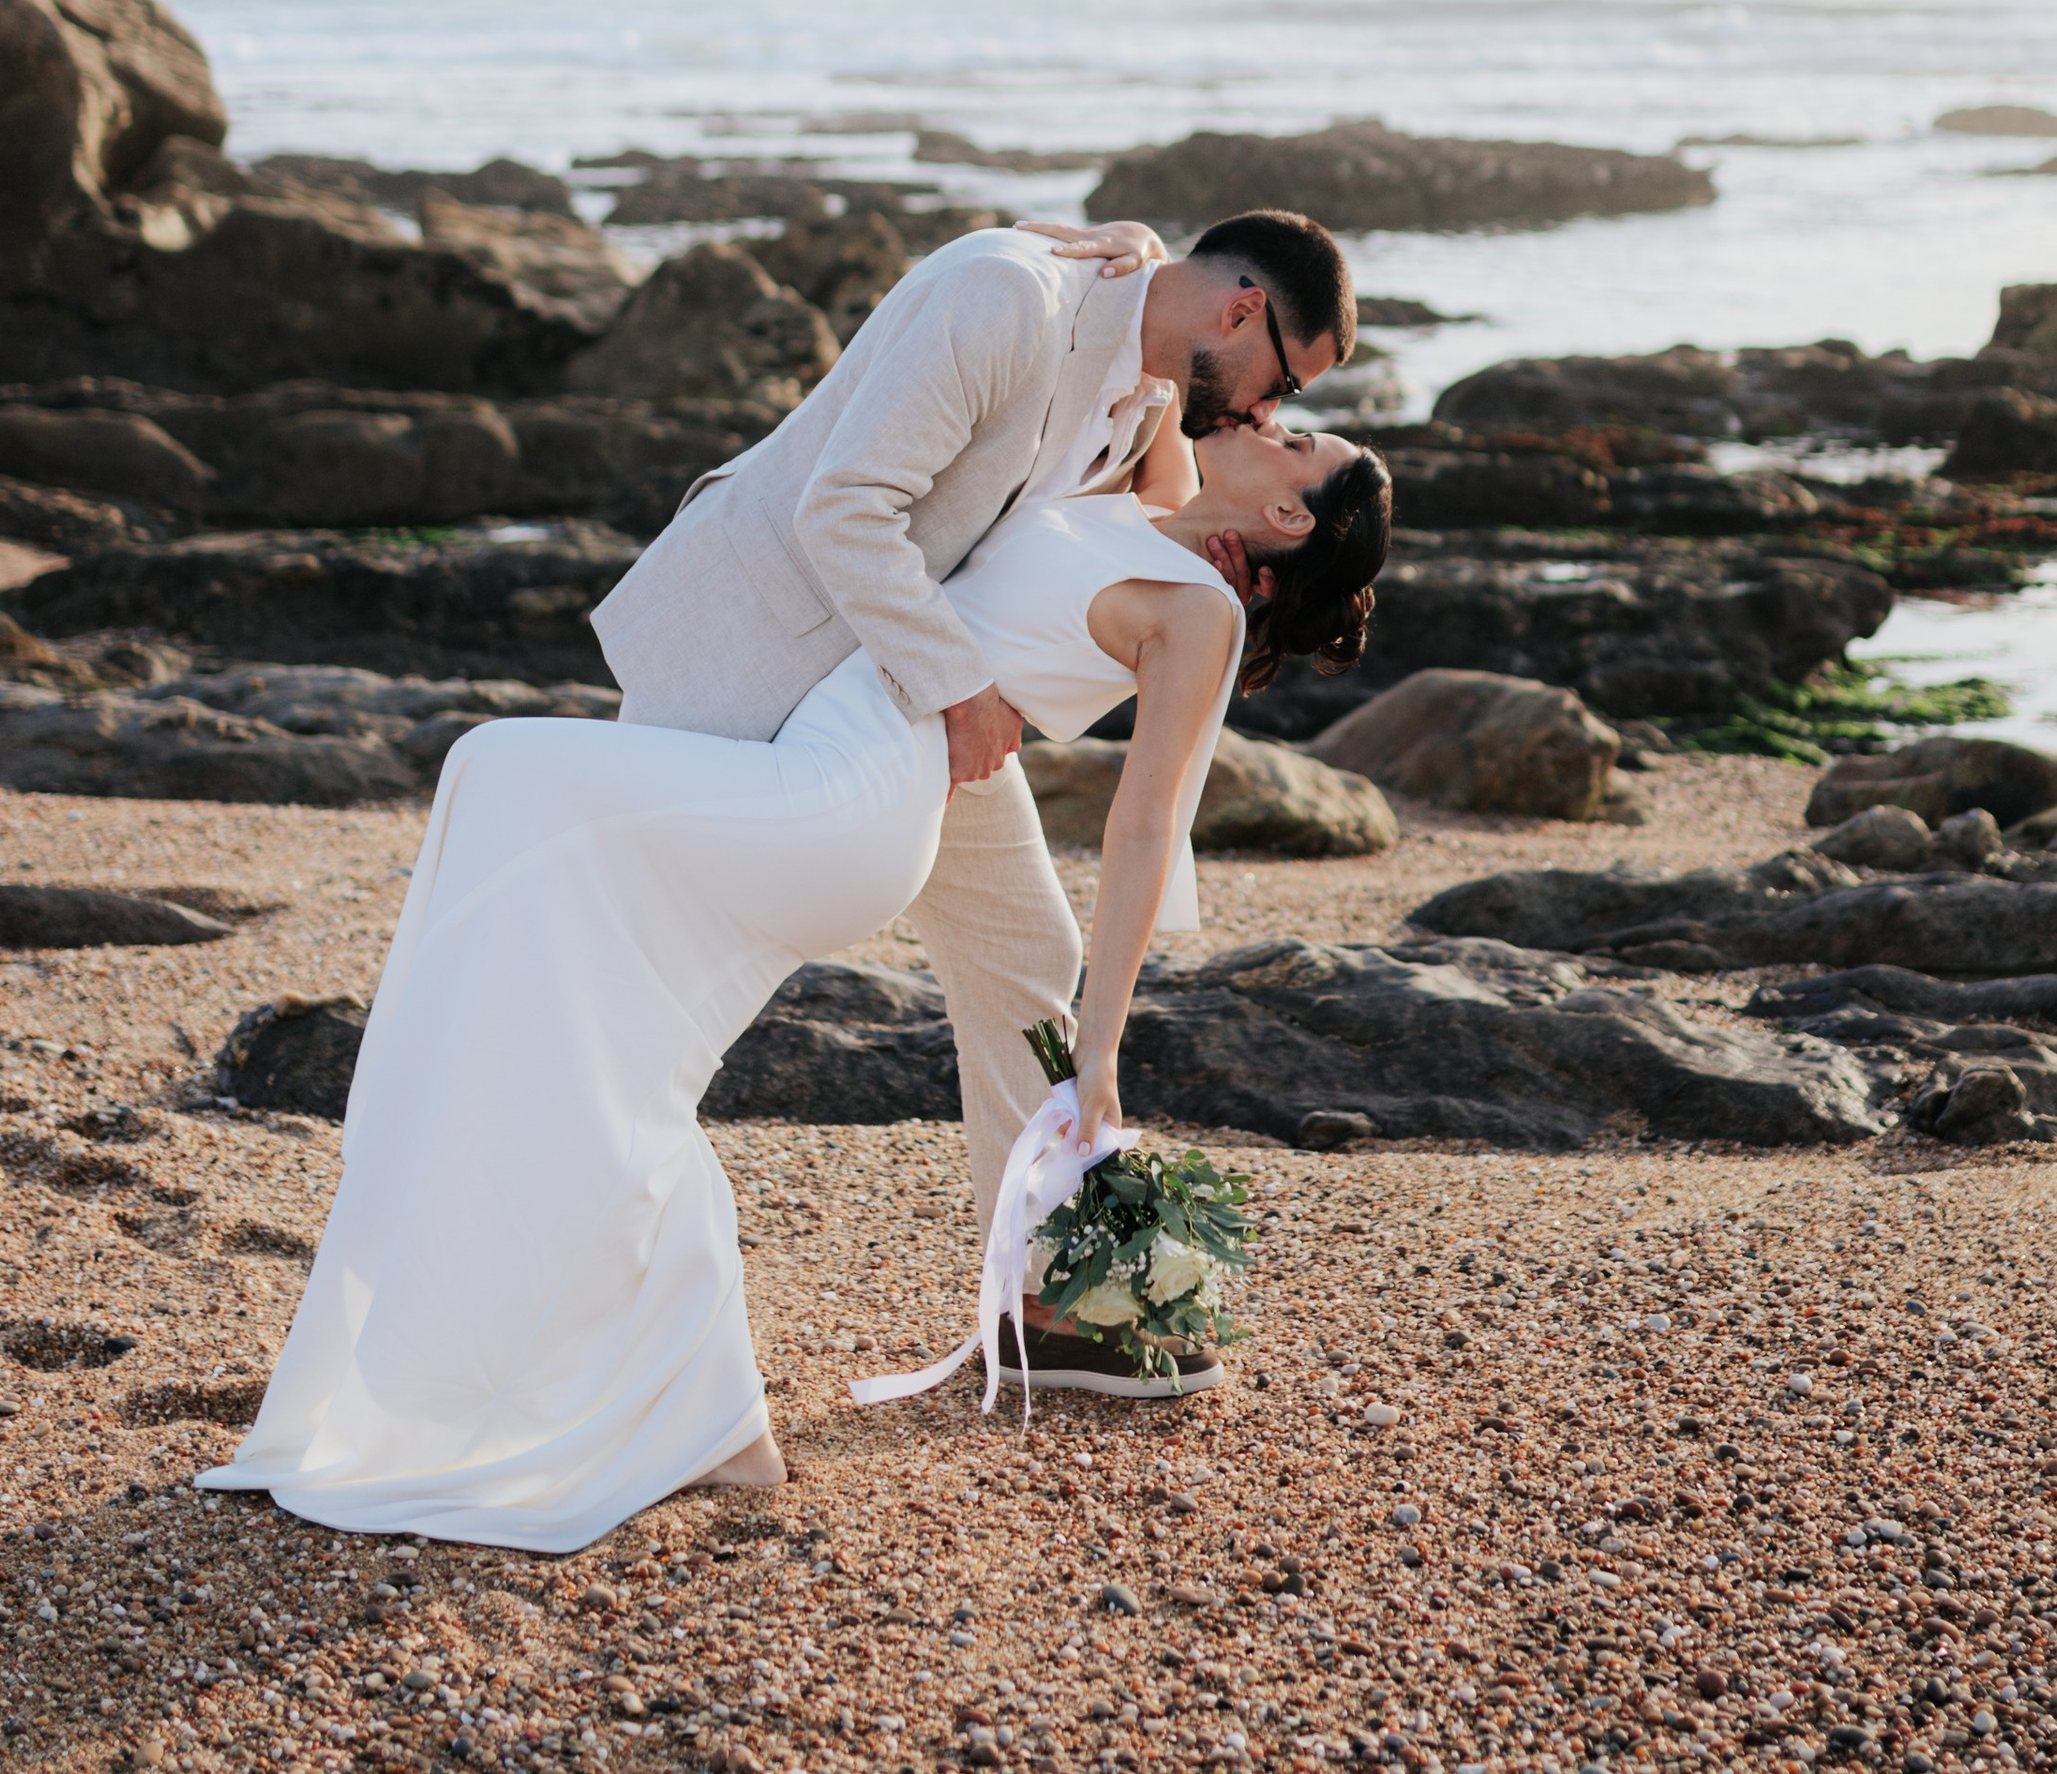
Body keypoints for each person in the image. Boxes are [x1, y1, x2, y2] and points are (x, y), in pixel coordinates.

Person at [197, 406, 1391, 1549]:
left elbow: (1143, 832)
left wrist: (1103, 1048)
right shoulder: (1162, 495)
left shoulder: (1201, 617)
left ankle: (772, 1363)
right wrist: (1115, 245)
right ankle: (1039, 1299)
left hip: (860, 779)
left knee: (500, 769)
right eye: (1288, 408)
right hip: (869, 729)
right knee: (989, 958)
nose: (1270, 423)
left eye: (1299, 442)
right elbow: (1161, 358)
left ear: (1289, 520)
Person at [586, 207, 1357, 1242]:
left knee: (1025, 953)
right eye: (1287, 383)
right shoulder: (1008, 295)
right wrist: (966, 692)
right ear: (1244, 309)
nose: (1271, 410)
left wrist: (1150, 269)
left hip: (904, 686)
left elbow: (1161, 514)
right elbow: (846, 508)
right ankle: (570, 1218)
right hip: (772, 645)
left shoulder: (1148, 398)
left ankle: (1036, 1279)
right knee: (663, 977)